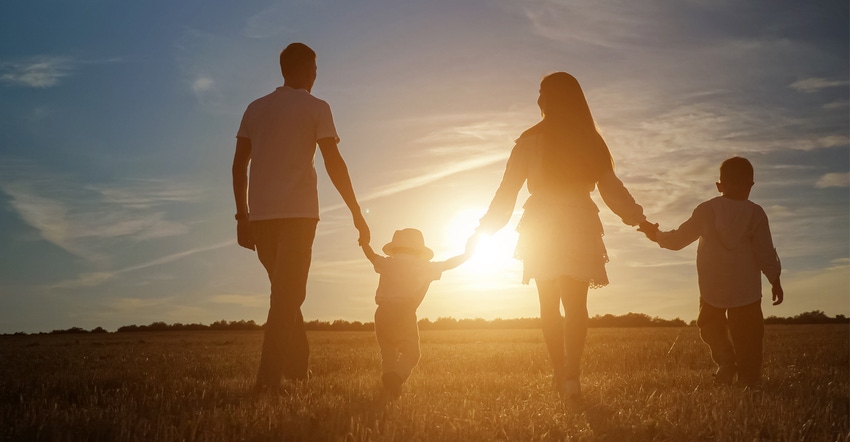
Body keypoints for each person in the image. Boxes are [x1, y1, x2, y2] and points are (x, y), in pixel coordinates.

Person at [476, 72, 655, 399]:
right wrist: (639, 219)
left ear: (555, 97)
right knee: (575, 305)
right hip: (577, 220)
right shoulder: (590, 139)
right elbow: (612, 190)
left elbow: (507, 192)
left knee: (549, 304)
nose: (539, 99)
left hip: (542, 222)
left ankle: (561, 371)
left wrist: (484, 229)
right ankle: (571, 375)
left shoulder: (529, 140)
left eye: (542, 92)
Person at [231, 42, 370, 392]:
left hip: (260, 218)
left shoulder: (255, 108)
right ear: (309, 70)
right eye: (315, 71)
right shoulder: (317, 107)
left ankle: (297, 369)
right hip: (298, 216)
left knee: (285, 295)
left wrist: (242, 217)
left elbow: (238, 166)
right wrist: (356, 211)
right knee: (286, 298)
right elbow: (333, 162)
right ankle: (267, 384)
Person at [641, 156, 783, 387]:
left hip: (712, 286)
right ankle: (750, 379)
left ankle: (726, 360)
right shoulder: (756, 213)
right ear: (751, 185)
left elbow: (678, 240)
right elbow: (765, 250)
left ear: (719, 186)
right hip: (746, 288)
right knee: (749, 336)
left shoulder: (707, 210)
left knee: (709, 326)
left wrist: (656, 234)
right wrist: (774, 279)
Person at [361, 228, 474, 397]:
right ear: (419, 250)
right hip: (404, 313)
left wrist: (364, 242)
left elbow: (371, 256)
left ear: (396, 247)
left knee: (388, 353)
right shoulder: (424, 266)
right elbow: (449, 264)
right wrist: (468, 253)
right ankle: (396, 379)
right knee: (412, 354)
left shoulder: (387, 263)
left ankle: (389, 386)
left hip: (382, 313)